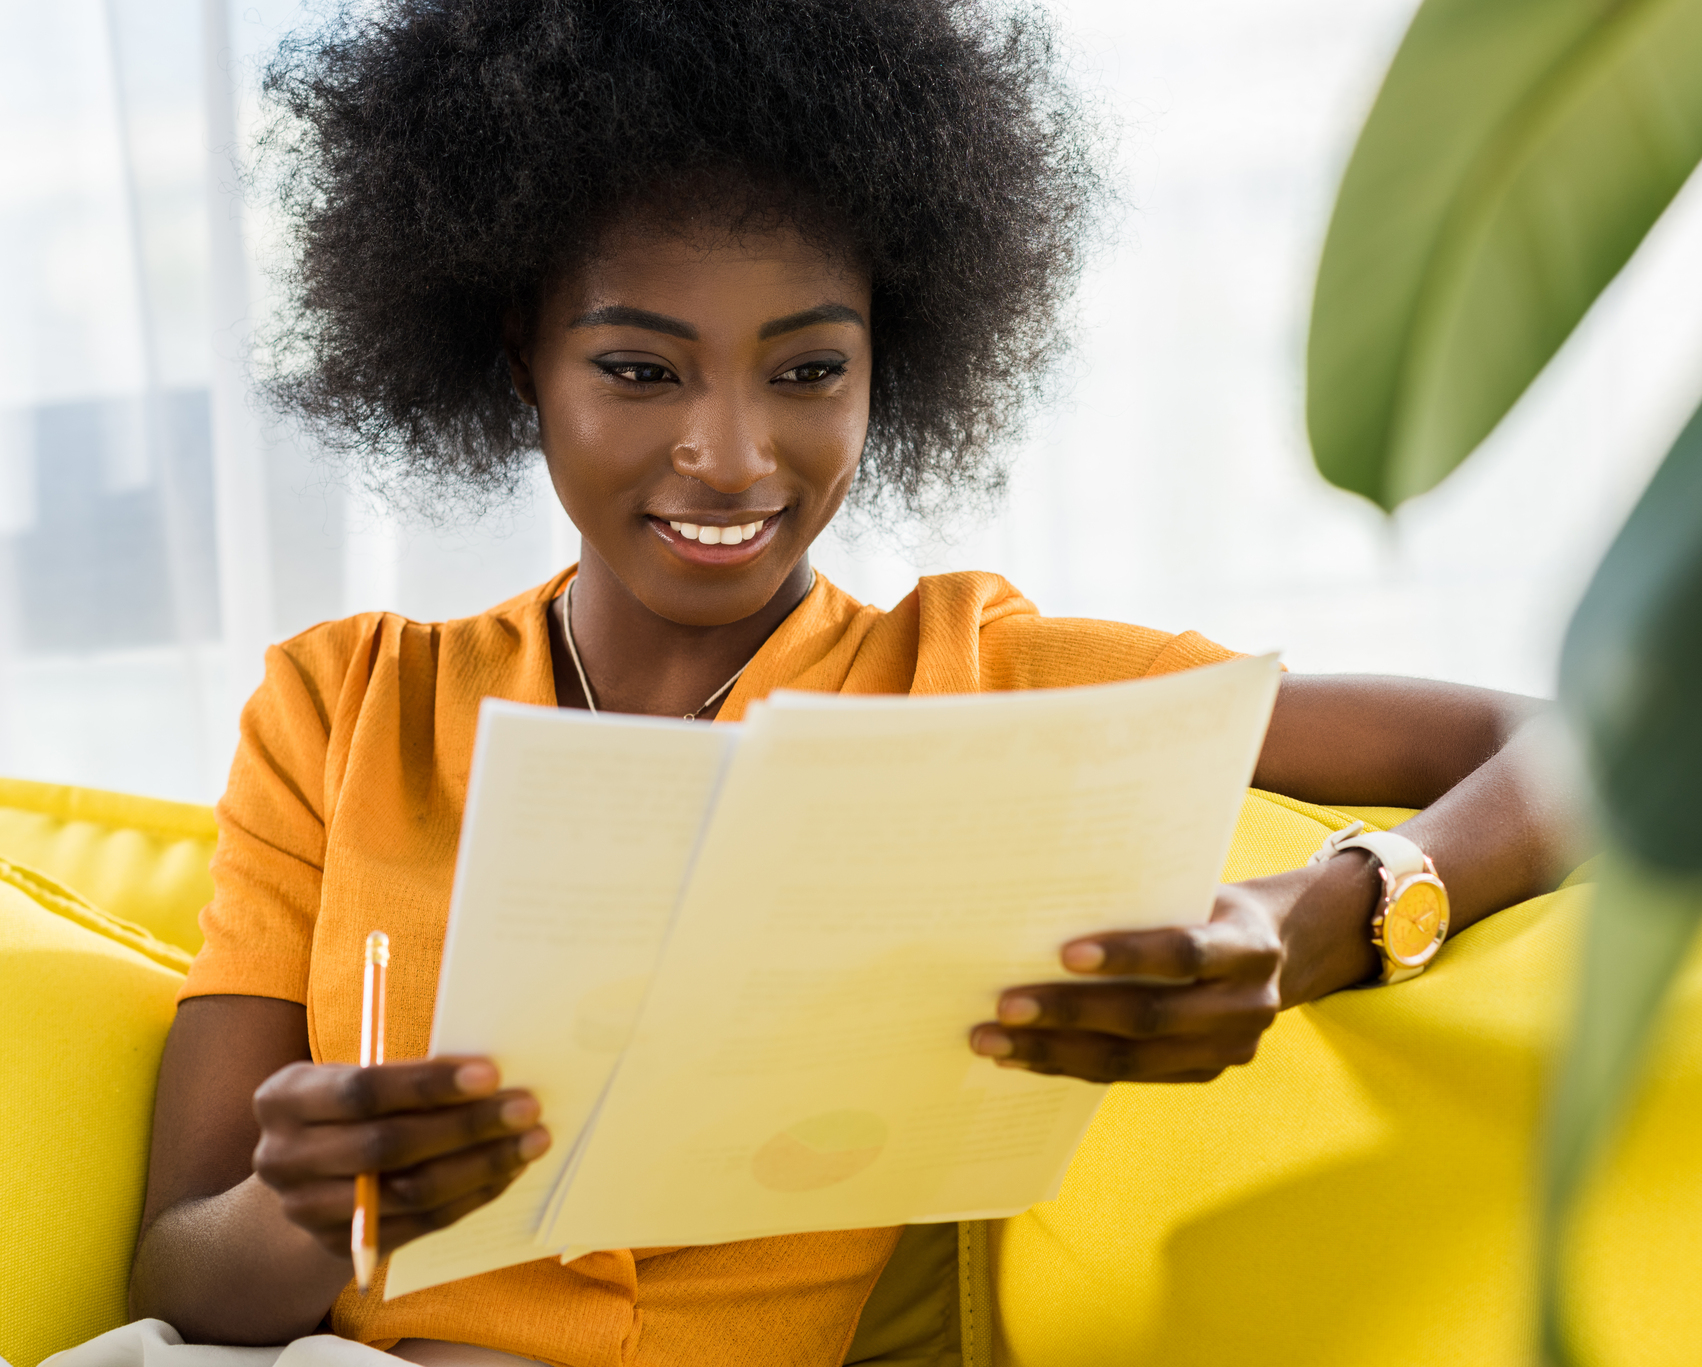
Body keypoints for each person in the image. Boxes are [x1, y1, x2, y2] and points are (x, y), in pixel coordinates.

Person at [126, 1, 1579, 1361]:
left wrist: (1327, 917)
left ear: (893, 360)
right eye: (641, 371)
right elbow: (179, 1275)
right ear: (521, 357)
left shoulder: (982, 682)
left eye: (809, 371)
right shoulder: (342, 705)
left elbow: (1582, 742)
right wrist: (307, 1205)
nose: (735, 457)